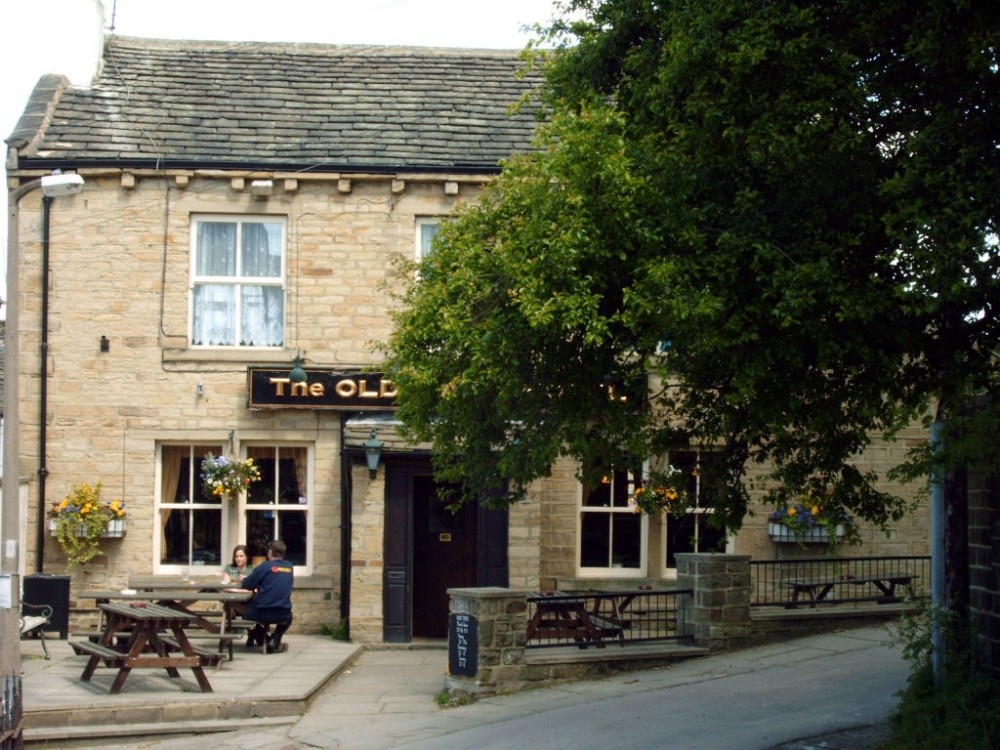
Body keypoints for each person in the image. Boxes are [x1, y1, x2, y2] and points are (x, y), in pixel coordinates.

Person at [239, 539, 294, 653]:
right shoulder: (289, 567)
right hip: (283, 612)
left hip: (262, 611)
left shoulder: (265, 566)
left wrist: (244, 579)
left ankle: (265, 640)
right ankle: (274, 640)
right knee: (289, 619)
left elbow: (248, 585)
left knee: (245, 618)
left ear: (269, 552)